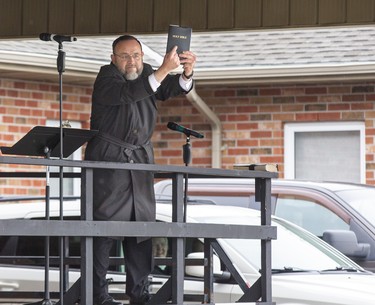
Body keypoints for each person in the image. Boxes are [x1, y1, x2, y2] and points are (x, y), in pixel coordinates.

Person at [84, 34, 196, 305]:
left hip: (141, 162)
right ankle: (98, 296)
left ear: (142, 57)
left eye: (136, 55)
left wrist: (186, 72)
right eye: (124, 56)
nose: (131, 61)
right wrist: (162, 71)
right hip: (109, 162)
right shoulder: (106, 79)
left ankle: (140, 294)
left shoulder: (148, 73)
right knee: (104, 228)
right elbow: (131, 93)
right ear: (113, 59)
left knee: (141, 227)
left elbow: (170, 88)